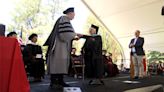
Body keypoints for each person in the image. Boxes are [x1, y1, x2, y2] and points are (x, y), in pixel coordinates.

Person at [43, 7, 80, 88]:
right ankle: (56, 81)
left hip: (60, 45)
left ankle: (58, 81)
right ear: (70, 13)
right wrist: (76, 35)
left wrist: (73, 37)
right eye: (74, 14)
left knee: (58, 63)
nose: (74, 16)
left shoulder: (63, 19)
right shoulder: (64, 18)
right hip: (59, 46)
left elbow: (66, 33)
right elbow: (64, 34)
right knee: (58, 63)